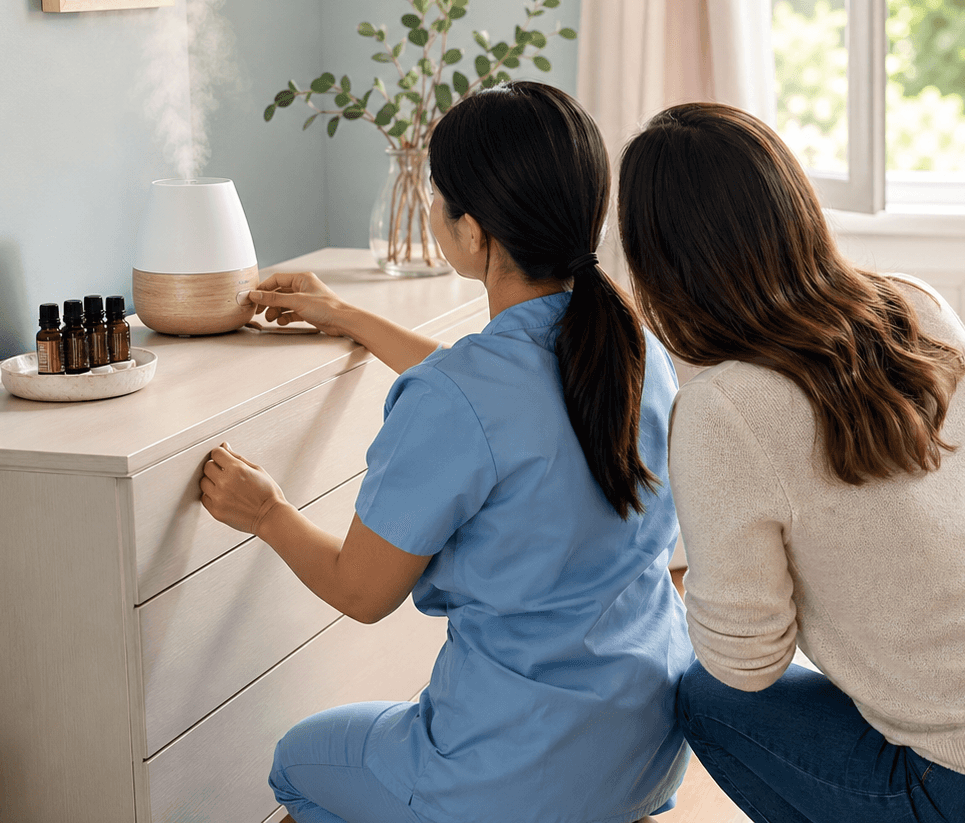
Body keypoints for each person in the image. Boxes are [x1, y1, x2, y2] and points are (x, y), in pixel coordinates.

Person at [617, 102, 965, 823]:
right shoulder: (915, 302)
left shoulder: (722, 410)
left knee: (704, 697)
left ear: (661, 262)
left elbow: (746, 663)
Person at [198, 81, 692, 823]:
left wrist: (266, 511)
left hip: (516, 775)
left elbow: (361, 592)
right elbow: (500, 402)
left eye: (437, 195)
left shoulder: (462, 397)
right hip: (644, 753)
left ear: (474, 232)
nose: (430, 208)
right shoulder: (634, 350)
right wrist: (347, 315)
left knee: (296, 764)